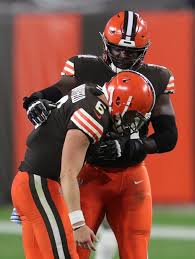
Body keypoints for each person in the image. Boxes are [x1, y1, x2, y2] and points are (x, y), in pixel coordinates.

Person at [12, 11, 178, 259]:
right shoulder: (85, 72)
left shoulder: (156, 78)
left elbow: (169, 135)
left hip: (131, 173)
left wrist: (135, 147)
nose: (123, 55)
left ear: (144, 50)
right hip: (88, 174)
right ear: (105, 43)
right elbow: (56, 98)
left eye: (131, 51)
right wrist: (36, 100)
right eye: (118, 48)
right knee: (75, 250)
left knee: (136, 252)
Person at [11, 71, 155, 259]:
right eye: (132, 115)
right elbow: (68, 173)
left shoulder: (91, 92)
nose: (132, 123)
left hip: (30, 183)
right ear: (119, 101)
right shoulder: (94, 116)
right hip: (40, 185)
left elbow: (49, 137)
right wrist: (78, 224)